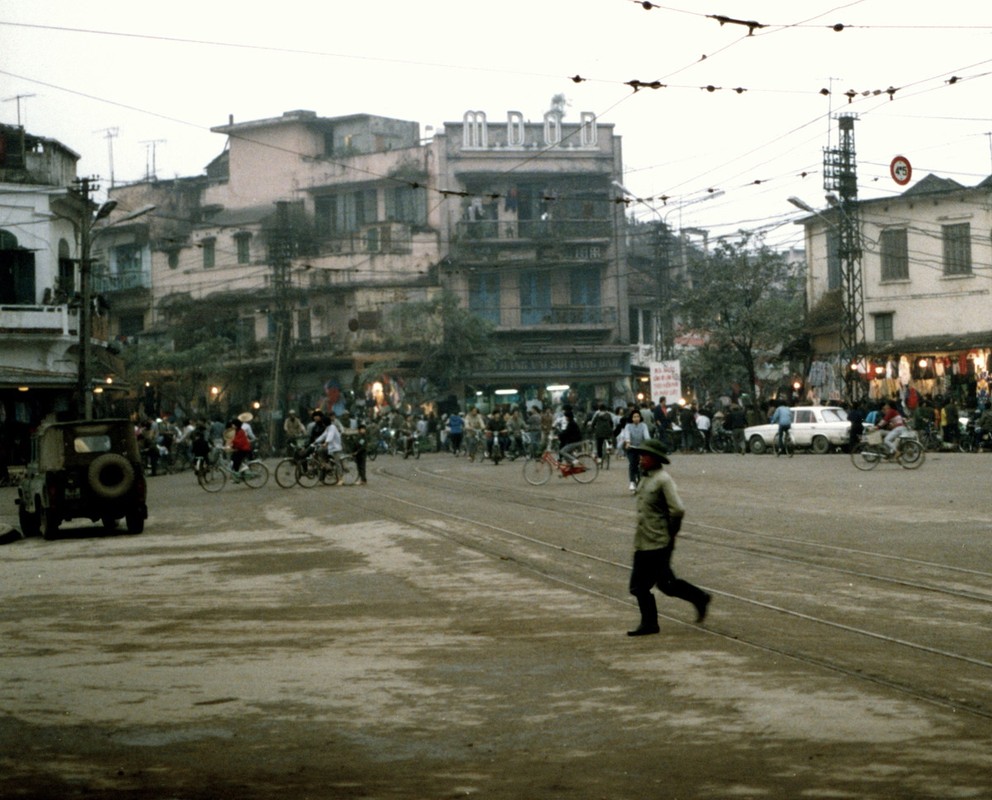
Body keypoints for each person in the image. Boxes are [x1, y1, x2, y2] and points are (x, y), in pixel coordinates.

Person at [626, 439, 711, 636]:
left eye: (645, 455)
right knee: (666, 584)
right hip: (643, 541)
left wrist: (671, 532)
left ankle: (650, 624)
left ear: (655, 459)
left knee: (639, 586)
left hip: (657, 542)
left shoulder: (663, 480)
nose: (641, 459)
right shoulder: (645, 477)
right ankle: (700, 598)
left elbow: (678, 509)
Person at [616, 409, 651, 493]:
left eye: (638, 416)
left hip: (641, 447)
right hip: (631, 447)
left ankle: (643, 480)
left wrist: (648, 443)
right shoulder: (628, 426)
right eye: (634, 417)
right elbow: (627, 435)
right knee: (632, 464)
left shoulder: (643, 425)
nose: (636, 418)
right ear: (631, 418)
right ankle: (632, 482)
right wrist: (627, 442)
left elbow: (646, 436)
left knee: (645, 464)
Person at [312, 413, 345, 483]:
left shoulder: (332, 427)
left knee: (337, 463)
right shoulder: (328, 428)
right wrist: (315, 442)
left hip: (336, 448)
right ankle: (326, 466)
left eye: (323, 422)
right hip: (330, 448)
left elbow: (330, 436)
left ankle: (341, 479)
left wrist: (326, 443)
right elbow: (323, 436)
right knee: (320, 451)